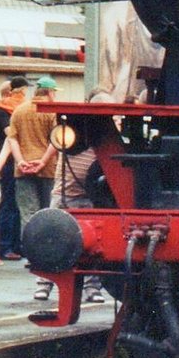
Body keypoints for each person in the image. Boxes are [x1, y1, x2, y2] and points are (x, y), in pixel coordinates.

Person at [52, 86, 115, 304]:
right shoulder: (79, 131)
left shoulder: (112, 135)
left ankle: (92, 287)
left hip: (90, 197)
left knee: (94, 248)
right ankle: (46, 284)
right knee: (55, 238)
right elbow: (54, 148)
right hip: (65, 194)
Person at [4, 75, 59, 300]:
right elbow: (56, 140)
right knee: (49, 214)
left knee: (29, 215)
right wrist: (43, 162)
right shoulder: (52, 111)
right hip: (47, 170)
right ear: (49, 92)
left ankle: (33, 257)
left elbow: (12, 140)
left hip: (23, 170)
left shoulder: (19, 111)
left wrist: (21, 161)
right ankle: (49, 256)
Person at [0, 77, 28, 259]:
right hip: (8, 162)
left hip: (15, 160)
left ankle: (14, 244)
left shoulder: (7, 110)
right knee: (8, 203)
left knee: (16, 203)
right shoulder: (2, 111)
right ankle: (5, 246)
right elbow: (10, 134)